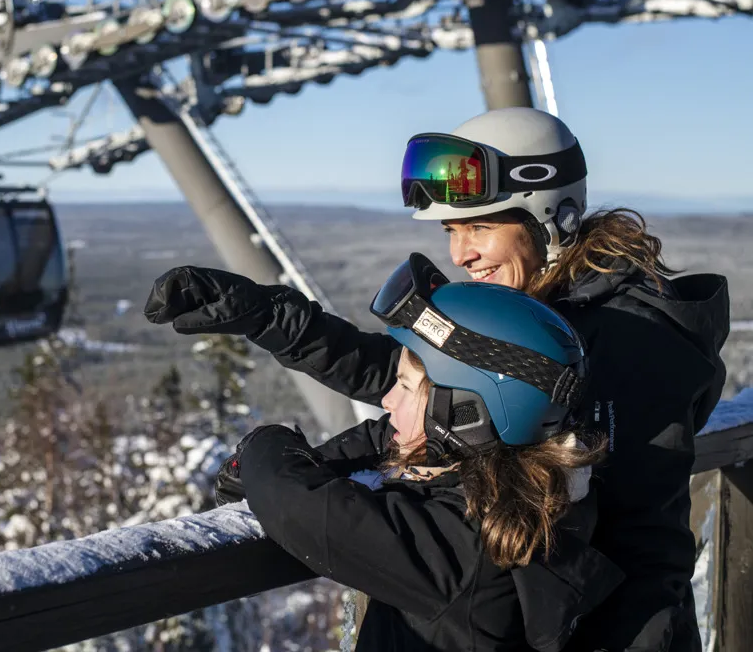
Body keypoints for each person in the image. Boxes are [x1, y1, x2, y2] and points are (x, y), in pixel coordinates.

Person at [143, 108, 730, 651]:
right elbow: (429, 387)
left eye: (479, 228)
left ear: (551, 217)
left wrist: (290, 470)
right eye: (451, 231)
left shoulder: (627, 345)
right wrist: (273, 319)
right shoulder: (548, 315)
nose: (462, 254)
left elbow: (648, 550)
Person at [165, 255, 625, 652]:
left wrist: (263, 445)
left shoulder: (464, 549)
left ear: (465, 413)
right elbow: (389, 438)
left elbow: (304, 510)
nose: (388, 401)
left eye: (404, 386)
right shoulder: (516, 486)